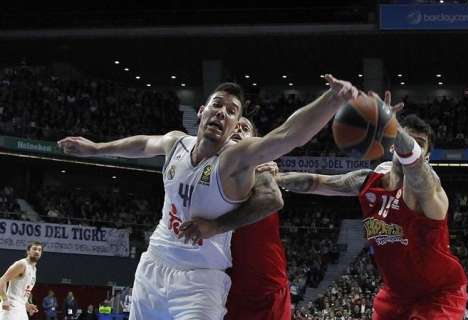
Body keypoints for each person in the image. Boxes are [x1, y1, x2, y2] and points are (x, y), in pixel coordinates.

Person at [58, 75, 357, 320]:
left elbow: (286, 135)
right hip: (154, 264)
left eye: (232, 112)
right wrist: (96, 149)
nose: (222, 114)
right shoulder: (176, 142)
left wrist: (333, 100)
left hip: (200, 282)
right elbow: (142, 144)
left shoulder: (235, 160)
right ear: (202, 111)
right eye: (218, 105)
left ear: (234, 129)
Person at [272, 92, 468, 319]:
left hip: (438, 294)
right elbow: (317, 183)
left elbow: (413, 166)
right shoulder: (369, 181)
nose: (410, 147)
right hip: (395, 294)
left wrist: (393, 126)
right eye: (404, 139)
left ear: (427, 155)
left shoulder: (429, 188)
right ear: (392, 146)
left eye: (419, 144)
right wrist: (273, 178)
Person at [207, 117, 291, 320]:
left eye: (244, 129)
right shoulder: (206, 171)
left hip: (267, 291)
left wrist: (216, 226)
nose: (238, 130)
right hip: (225, 291)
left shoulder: (261, 169)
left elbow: (272, 199)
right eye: (233, 127)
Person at [0, 241, 42, 320]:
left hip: (21, 308)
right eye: (34, 249)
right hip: (11, 308)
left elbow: (23, 291)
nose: (37, 251)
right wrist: (5, 299)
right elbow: (2, 280)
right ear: (28, 251)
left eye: (39, 250)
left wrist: (27, 304)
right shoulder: (22, 264)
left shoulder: (34, 269)